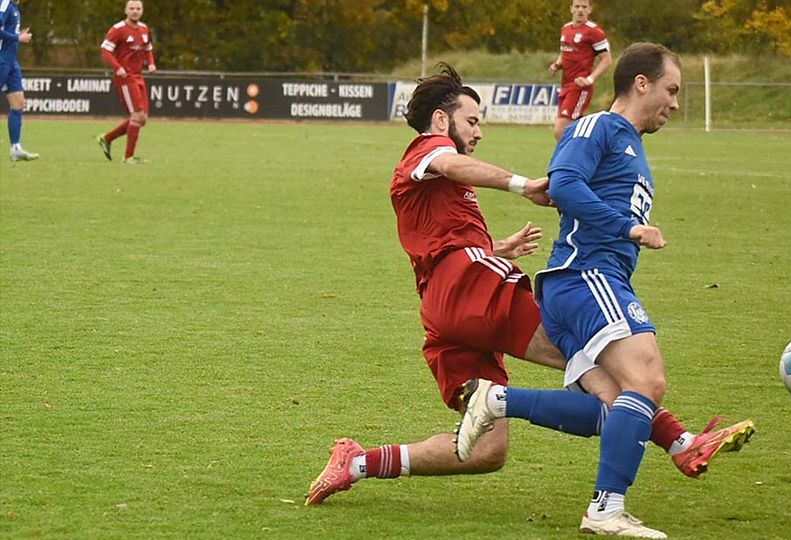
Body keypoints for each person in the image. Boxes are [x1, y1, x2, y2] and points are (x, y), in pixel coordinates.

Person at [304, 63, 753, 513]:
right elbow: (452, 163)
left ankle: (358, 462)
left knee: (485, 452)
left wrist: (495, 248)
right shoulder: (429, 147)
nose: (478, 133)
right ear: (442, 120)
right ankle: (679, 442)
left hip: (447, 306)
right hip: (470, 291)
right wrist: (523, 186)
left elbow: (439, 243)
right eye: (472, 121)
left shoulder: (432, 187)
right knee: (612, 375)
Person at [540, 42, 755, 538]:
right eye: (671, 90)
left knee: (619, 398)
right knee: (648, 378)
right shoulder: (599, 126)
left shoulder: (631, 144)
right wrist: (628, 228)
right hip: (584, 274)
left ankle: (667, 455)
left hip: (592, 279)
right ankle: (605, 510)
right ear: (641, 83)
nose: (675, 104)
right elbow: (563, 184)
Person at [97, 0, 155, 164]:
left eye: (138, 8)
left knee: (142, 119)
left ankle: (107, 138)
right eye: (132, 8)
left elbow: (148, 48)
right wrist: (118, 67)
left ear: (142, 11)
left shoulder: (144, 29)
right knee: (136, 116)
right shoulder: (118, 29)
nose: (135, 11)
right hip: (125, 78)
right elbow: (105, 50)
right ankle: (128, 157)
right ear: (125, 10)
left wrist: (151, 63)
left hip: (138, 77)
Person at [548, 0, 612, 141]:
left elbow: (607, 59)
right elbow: (564, 53)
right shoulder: (565, 28)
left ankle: (569, 159)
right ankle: (599, 146)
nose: (580, 10)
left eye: (584, 7)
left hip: (580, 87)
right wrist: (557, 64)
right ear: (571, 9)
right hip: (565, 85)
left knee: (561, 129)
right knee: (574, 129)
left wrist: (589, 79)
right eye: (577, 6)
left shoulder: (594, 32)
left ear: (590, 10)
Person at [0, 0, 39, 161]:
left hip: (11, 62)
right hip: (1, 60)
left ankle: (16, 148)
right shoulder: (5, 3)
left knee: (19, 103)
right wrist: (18, 37)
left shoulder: (15, 7)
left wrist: (17, 34)